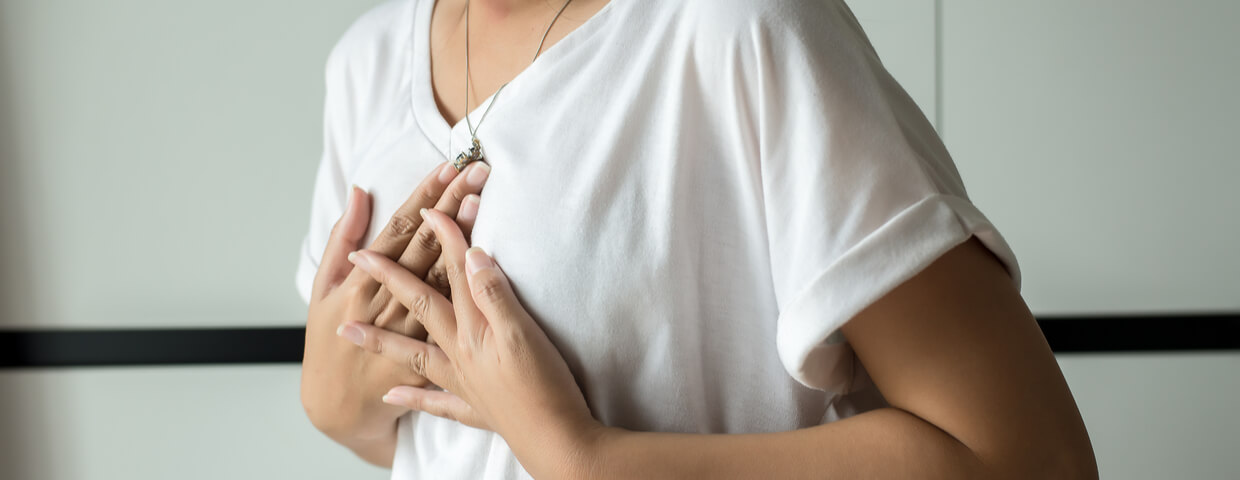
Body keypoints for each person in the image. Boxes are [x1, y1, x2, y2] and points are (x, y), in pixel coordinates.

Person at [297, 0, 1099, 478]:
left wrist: (594, 462)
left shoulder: (740, 27)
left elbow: (1032, 460)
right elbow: (443, 439)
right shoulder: (365, 63)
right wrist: (333, 404)